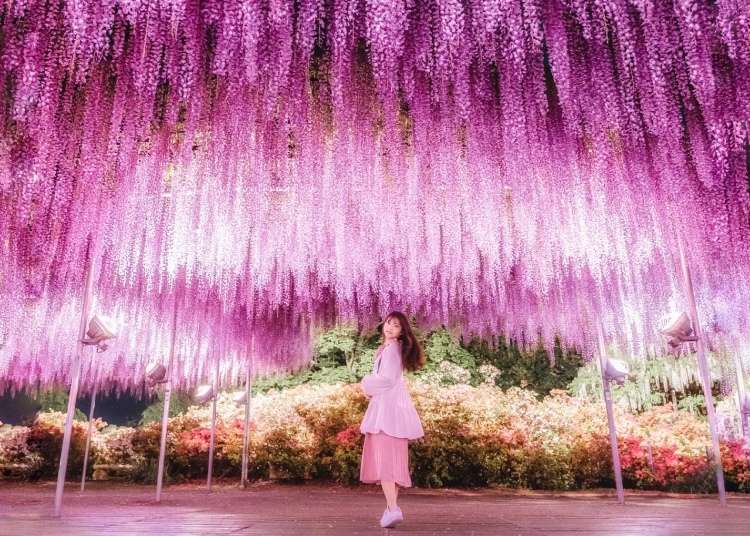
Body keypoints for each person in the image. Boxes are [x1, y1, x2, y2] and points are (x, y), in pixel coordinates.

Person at [359, 311, 425, 529]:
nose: (389, 328)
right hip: (394, 412)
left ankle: (393, 509)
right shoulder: (389, 349)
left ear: (401, 331)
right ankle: (390, 510)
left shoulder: (391, 351)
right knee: (394, 464)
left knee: (386, 463)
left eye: (396, 326)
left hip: (386, 414)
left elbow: (386, 380)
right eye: (388, 323)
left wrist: (365, 384)